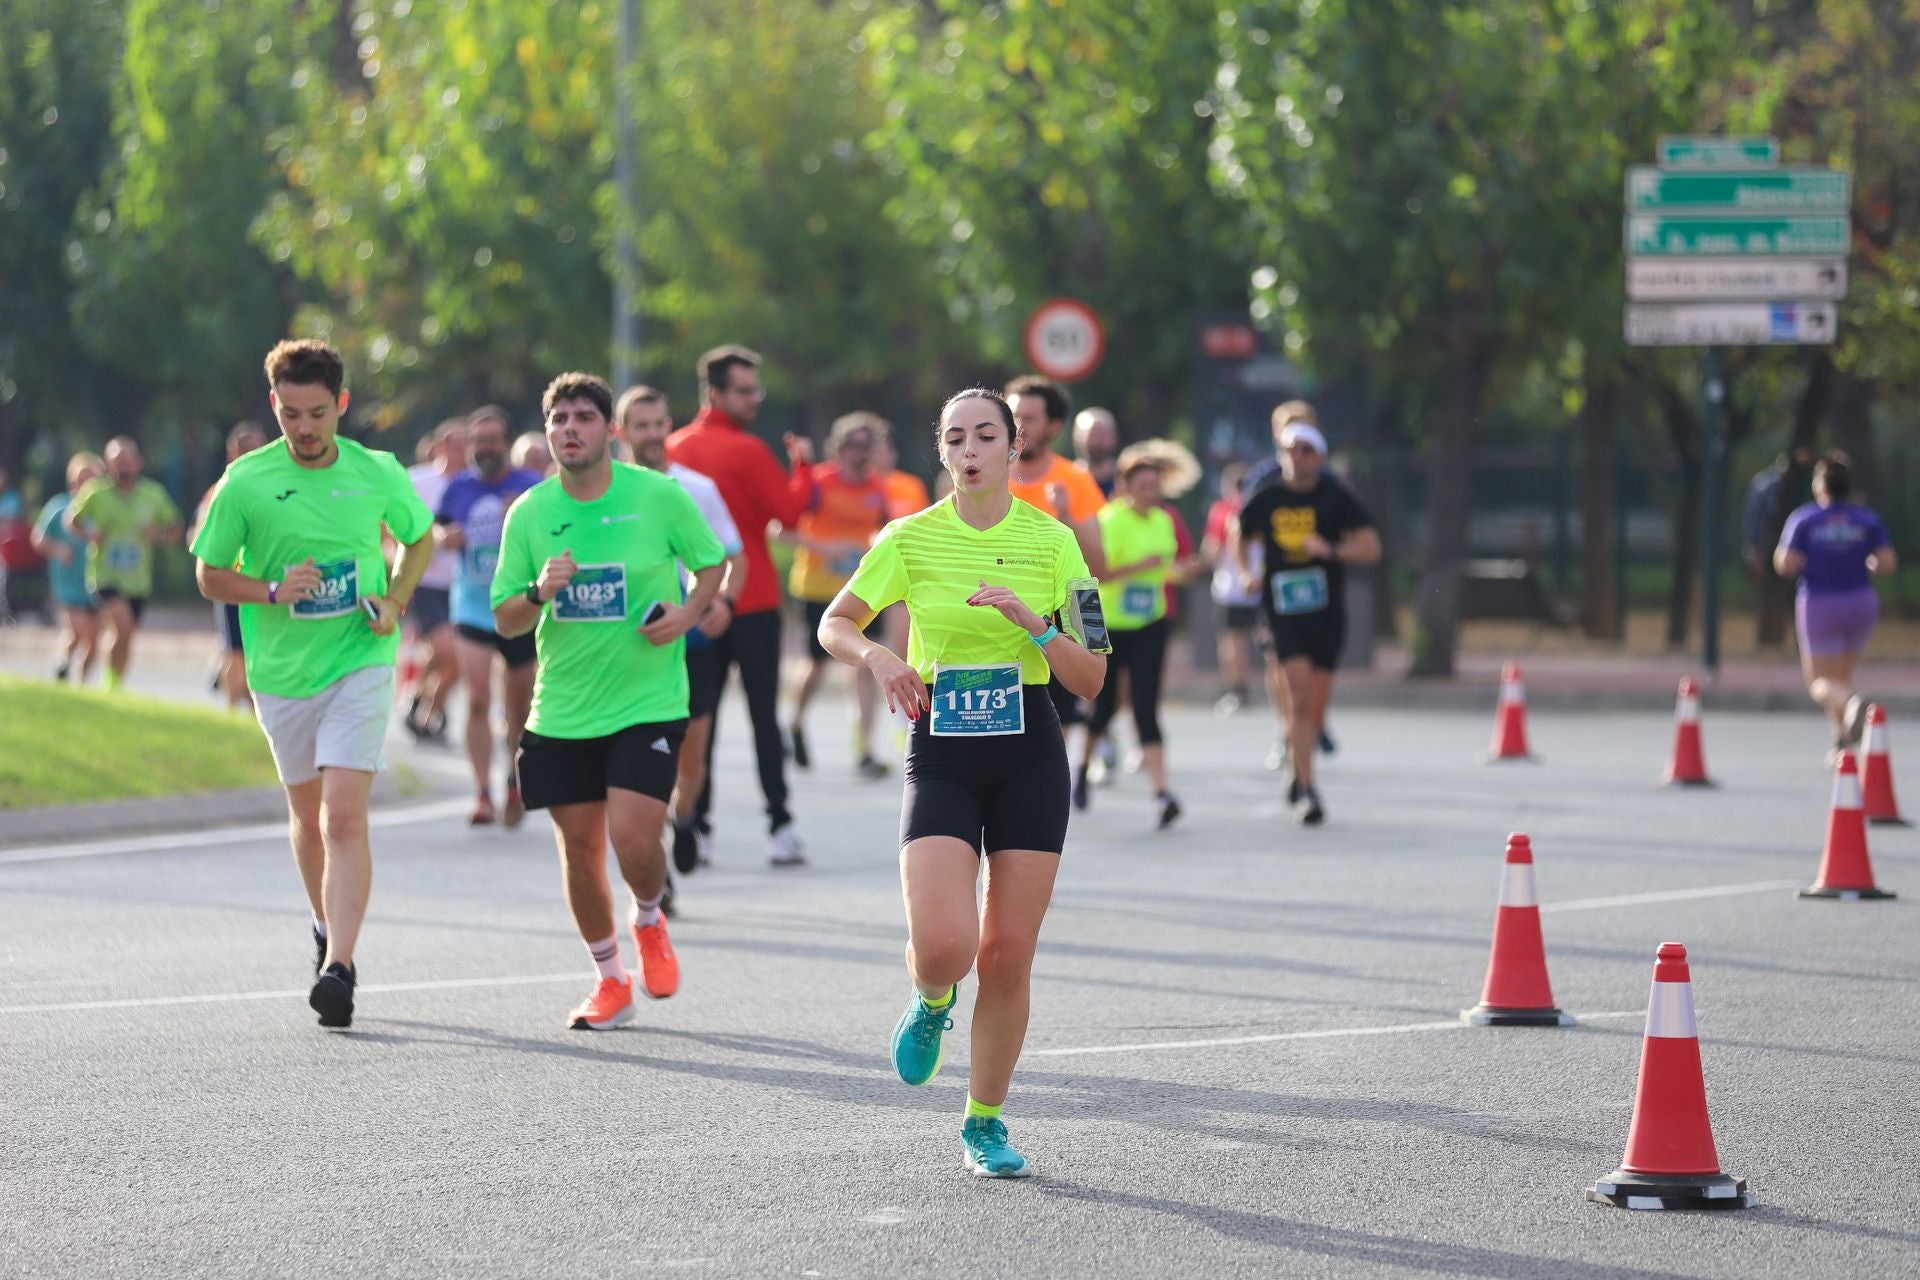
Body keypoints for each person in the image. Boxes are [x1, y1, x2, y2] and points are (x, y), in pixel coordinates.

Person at [818, 387, 1105, 1179]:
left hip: (1029, 751)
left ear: (1015, 447)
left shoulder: (1055, 542)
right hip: (941, 744)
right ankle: (932, 997)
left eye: (985, 435)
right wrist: (880, 656)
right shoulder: (907, 538)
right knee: (947, 947)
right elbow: (834, 622)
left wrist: (1035, 626)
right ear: (940, 451)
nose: (970, 450)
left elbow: (1089, 676)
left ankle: (984, 1122)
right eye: (955, 438)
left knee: (1007, 955)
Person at [191, 338, 435, 1028]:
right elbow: (209, 574)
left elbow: (419, 539)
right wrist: (271, 590)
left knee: (343, 815)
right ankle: (324, 926)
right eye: (291, 413)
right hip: (281, 673)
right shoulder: (246, 481)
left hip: (360, 658)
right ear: (274, 404)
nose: (303, 427)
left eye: (317, 413)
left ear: (341, 404)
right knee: (307, 818)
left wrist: (395, 600)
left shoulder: (377, 471)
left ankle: (341, 968)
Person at [492, 372, 725, 1031]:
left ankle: (648, 917)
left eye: (583, 417)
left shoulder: (657, 496)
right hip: (563, 708)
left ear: (610, 431)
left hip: (647, 699)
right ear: (547, 433)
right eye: (559, 419)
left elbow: (712, 564)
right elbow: (505, 618)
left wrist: (687, 615)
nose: (570, 429)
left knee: (634, 837)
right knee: (580, 849)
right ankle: (610, 980)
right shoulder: (529, 513)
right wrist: (538, 591)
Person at [666, 344, 814, 867]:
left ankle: (697, 826)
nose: (755, 399)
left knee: (697, 721)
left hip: (694, 602)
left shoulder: (672, 450)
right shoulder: (748, 451)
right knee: (762, 718)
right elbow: (789, 513)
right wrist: (803, 468)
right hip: (751, 598)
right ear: (715, 393)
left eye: (756, 390)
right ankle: (780, 825)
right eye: (744, 391)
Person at [615, 384, 747, 893]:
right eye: (641, 426)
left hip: (692, 642)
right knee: (640, 763)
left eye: (659, 424)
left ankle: (685, 816)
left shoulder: (697, 489)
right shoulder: (605, 492)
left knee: (691, 763)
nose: (652, 434)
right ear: (621, 432)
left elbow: (733, 557)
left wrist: (722, 604)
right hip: (631, 644)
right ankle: (656, 870)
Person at [1237, 414, 1380, 826]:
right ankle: (1308, 786)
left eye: (1306, 450)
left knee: (1315, 707)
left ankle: (1297, 760)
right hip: (1282, 611)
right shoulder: (1267, 496)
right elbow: (1238, 533)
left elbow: (1371, 547)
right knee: (1298, 699)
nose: (1297, 457)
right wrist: (1246, 572)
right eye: (1290, 450)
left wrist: (1331, 550)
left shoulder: (1336, 495)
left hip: (1326, 612)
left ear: (1319, 456)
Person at [436, 406, 542, 826]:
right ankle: (482, 792)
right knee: (478, 697)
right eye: (478, 441)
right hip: (473, 605)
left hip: (518, 606)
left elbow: (554, 537)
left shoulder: (530, 487)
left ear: (507, 444)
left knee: (519, 706)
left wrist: (524, 516)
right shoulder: (458, 487)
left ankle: (514, 780)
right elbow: (436, 528)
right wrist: (445, 536)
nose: (485, 448)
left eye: (493, 441)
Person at [1078, 446, 1183, 827]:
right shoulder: (1109, 520)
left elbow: (1165, 568)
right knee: (1104, 706)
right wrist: (1140, 566)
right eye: (1143, 486)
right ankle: (1083, 768)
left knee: (1146, 707)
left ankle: (1161, 793)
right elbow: (1097, 574)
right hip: (1110, 625)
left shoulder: (1163, 519)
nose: (1150, 493)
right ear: (1125, 487)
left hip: (1150, 622)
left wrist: (1181, 571)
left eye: (1155, 485)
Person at [785, 412, 893, 780]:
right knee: (816, 666)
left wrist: (872, 545)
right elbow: (780, 530)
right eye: (852, 445)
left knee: (865, 664)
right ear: (838, 448)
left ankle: (866, 750)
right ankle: (796, 720)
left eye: (867, 446)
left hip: (861, 591)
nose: (859, 453)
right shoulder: (818, 482)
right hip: (816, 587)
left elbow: (884, 532)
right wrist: (824, 547)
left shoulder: (877, 489)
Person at [1773, 452, 1897, 758]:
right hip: (1860, 602)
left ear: (1820, 486)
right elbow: (1886, 562)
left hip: (1819, 603)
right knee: (1838, 678)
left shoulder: (1805, 518)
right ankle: (1841, 741)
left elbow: (1785, 562)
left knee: (1819, 682)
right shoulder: (1866, 519)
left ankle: (1852, 701)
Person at [1006, 375, 1107, 743]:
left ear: (1054, 426)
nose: (1019, 426)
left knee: (1060, 721)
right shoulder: (985, 477)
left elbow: (1099, 567)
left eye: (1030, 418)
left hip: (1063, 607)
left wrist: (1066, 518)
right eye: (1013, 416)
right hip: (1000, 612)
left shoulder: (1075, 480)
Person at [66, 436, 182, 692]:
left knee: (126, 635)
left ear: (139, 462)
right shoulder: (96, 493)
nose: (124, 467)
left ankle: (114, 685)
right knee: (122, 626)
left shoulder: (153, 494)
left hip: (138, 580)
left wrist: (158, 535)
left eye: (128, 460)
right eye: (118, 461)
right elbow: (72, 520)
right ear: (108, 465)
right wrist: (90, 534)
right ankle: (105, 682)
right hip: (104, 575)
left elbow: (174, 528)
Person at [191, 422, 270, 710]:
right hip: (232, 582)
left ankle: (250, 708)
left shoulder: (275, 488)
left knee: (256, 650)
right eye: (245, 450)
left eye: (257, 450)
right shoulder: (220, 490)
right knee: (235, 651)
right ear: (231, 454)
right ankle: (231, 713)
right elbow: (198, 536)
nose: (252, 456)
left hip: (266, 582)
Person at [402, 419, 466, 741]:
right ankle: (421, 700)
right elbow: (393, 527)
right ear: (440, 446)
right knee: (445, 648)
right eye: (458, 444)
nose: (464, 451)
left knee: (456, 656)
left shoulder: (473, 484)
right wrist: (435, 538)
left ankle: (428, 710)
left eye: (468, 444)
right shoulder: (417, 480)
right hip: (425, 580)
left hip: (463, 583)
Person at [32, 452, 106, 683]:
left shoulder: (103, 507)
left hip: (97, 580)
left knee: (87, 636)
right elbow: (38, 539)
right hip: (67, 583)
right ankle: (65, 667)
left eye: (91, 478)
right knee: (85, 632)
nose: (85, 484)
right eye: (80, 478)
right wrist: (58, 550)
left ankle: (73, 675)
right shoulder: (59, 507)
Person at [1202, 461, 1261, 716]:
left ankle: (1238, 691)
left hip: (1231, 588)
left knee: (1232, 641)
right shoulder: (1261, 507)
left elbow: (1212, 550)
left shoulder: (1222, 510)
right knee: (1268, 641)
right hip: (1261, 584)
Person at [1072, 407, 1121, 499]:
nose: (1098, 442)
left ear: (1114, 437)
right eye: (1093, 435)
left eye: (1103, 435)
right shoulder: (1068, 479)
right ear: (1077, 438)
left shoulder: (1125, 482)